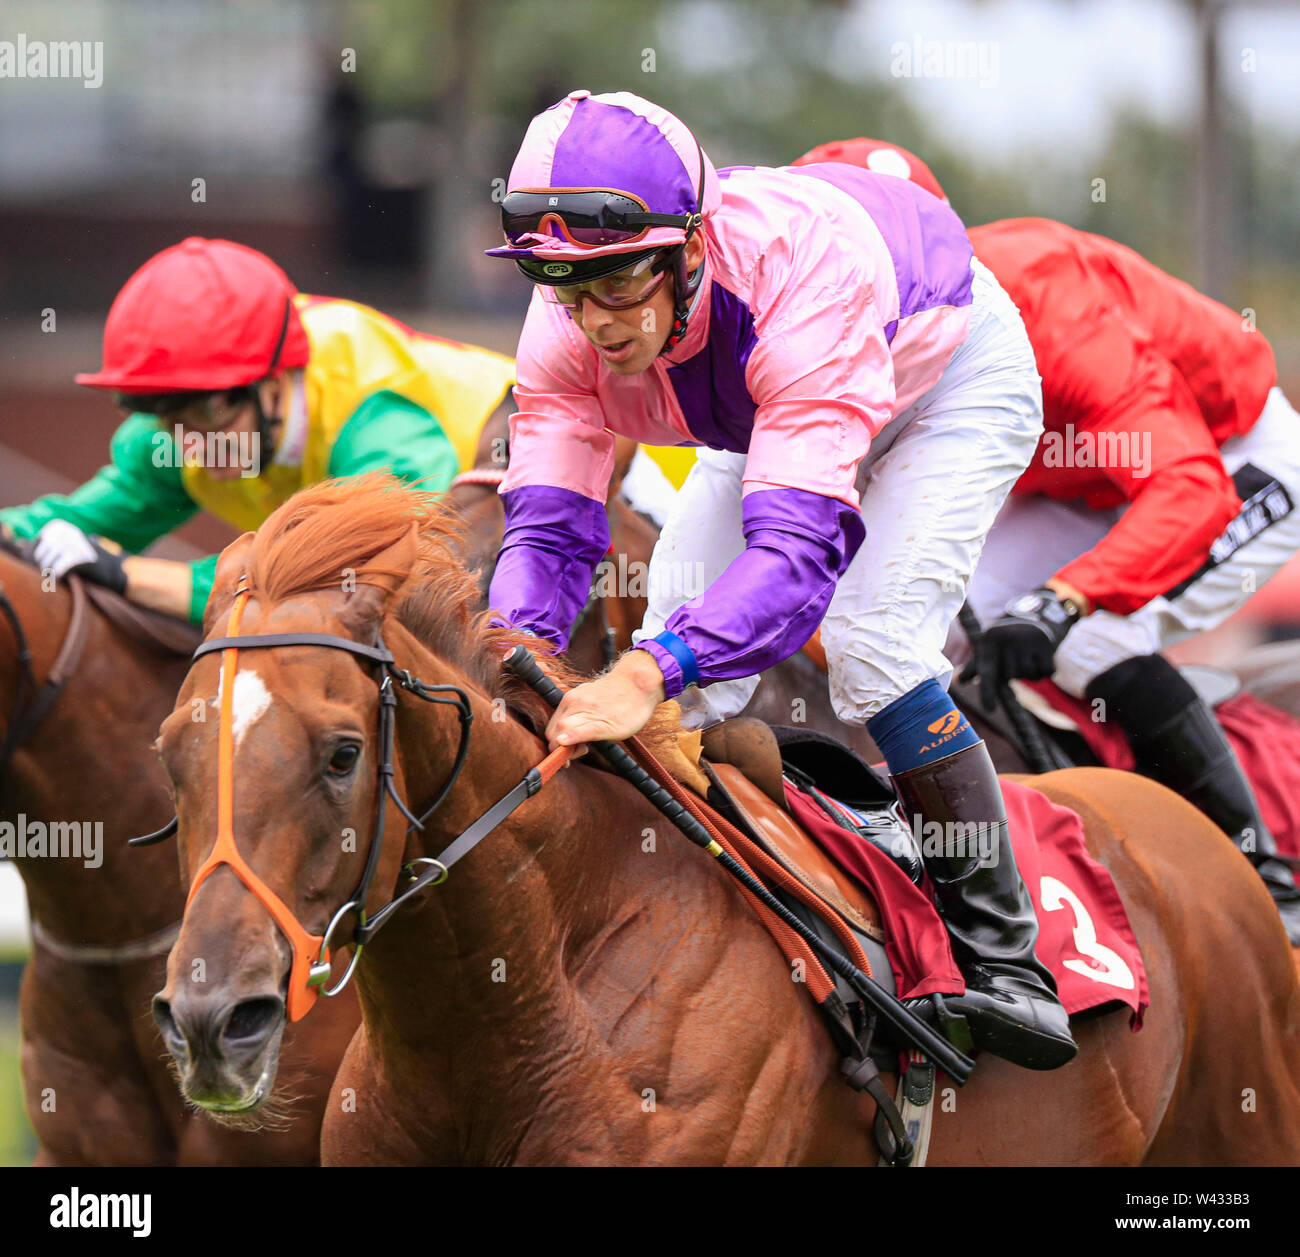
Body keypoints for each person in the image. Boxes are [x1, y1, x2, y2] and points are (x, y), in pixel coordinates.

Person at [482, 89, 1076, 1069]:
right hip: (774, 399)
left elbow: (797, 560)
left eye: (619, 281)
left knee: (870, 644)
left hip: (944, 376)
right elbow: (547, 531)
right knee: (668, 629)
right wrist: (513, 657)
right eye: (561, 283)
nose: (595, 321)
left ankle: (1004, 957)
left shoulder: (795, 280)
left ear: (689, 247)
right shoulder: (568, 326)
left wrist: (643, 677)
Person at [794, 139, 1300, 943]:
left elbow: (1187, 488)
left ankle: (1267, 886)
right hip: (1070, 482)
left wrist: (1064, 599)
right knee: (916, 626)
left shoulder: (1058, 314)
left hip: (1224, 453)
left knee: (1092, 633)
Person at [0, 237, 515, 624]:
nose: (189, 445)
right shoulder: (176, 433)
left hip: (512, 463)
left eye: (206, 413)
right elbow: (72, 524)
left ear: (273, 387)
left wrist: (127, 575)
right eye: (166, 417)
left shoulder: (378, 425)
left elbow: (335, 579)